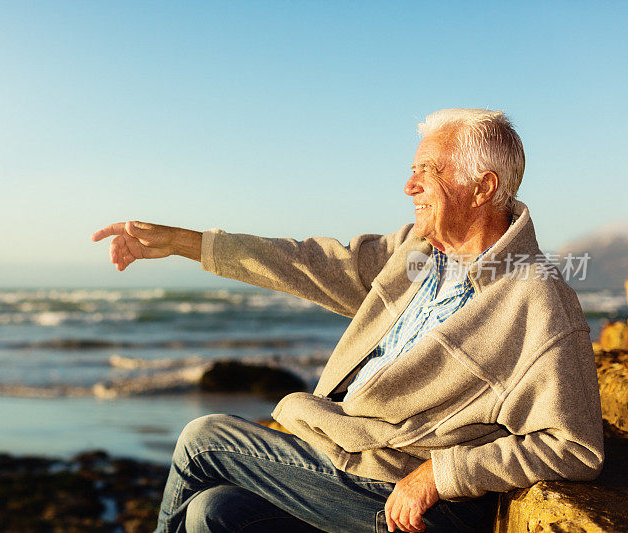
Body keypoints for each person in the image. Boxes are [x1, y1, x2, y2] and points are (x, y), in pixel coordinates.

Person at [91, 109, 604, 533]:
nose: (409, 185)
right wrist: (186, 243)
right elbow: (311, 262)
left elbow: (574, 447)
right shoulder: (416, 253)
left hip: (411, 499)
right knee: (215, 514)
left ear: (482, 187)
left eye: (430, 170)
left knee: (205, 439)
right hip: (348, 460)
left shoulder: (537, 297)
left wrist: (438, 475)